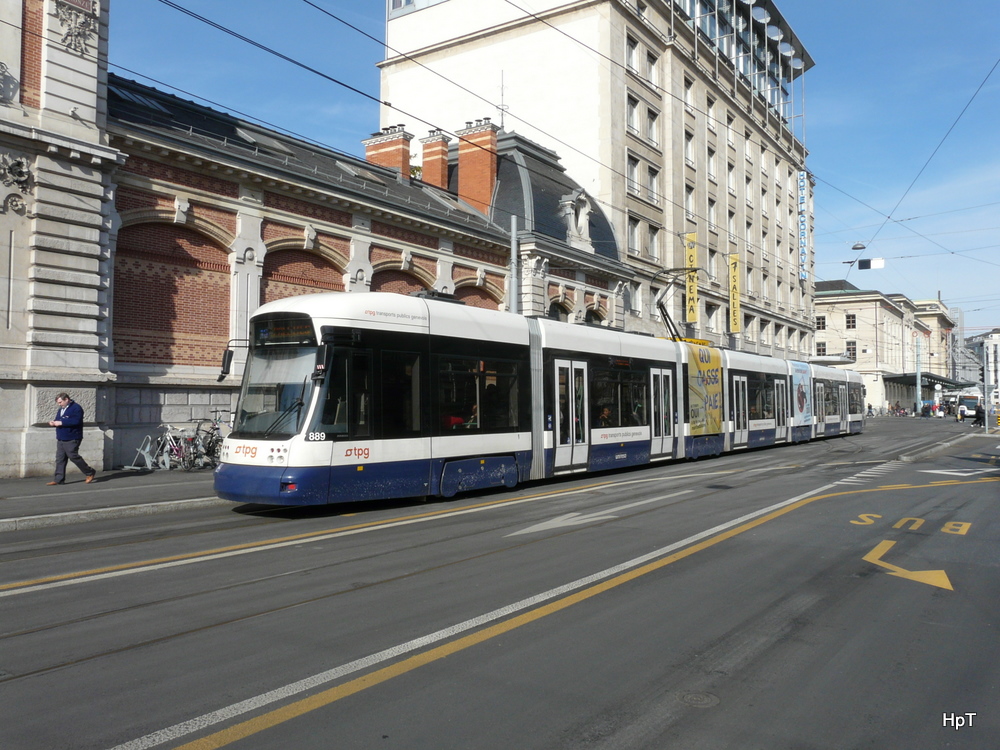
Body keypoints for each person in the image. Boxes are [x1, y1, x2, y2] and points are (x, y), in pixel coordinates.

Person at [47, 392, 97, 485]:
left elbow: (76, 421)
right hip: (61, 437)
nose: (59, 404)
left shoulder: (76, 408)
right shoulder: (61, 409)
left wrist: (61, 423)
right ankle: (59, 479)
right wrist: (53, 423)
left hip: (72, 436)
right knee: (60, 458)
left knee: (73, 456)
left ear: (66, 399)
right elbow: (59, 419)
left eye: (60, 402)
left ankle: (89, 472)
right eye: (58, 402)